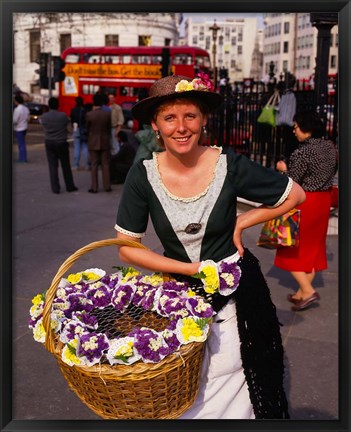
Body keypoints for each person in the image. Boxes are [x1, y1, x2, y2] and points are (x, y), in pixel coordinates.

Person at [114, 74, 305, 419]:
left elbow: (296, 194)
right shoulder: (142, 175)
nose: (181, 127)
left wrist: (242, 221)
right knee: (182, 387)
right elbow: (126, 247)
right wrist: (190, 270)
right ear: (156, 125)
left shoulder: (228, 163)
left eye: (190, 116)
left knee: (238, 373)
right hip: (177, 297)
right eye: (170, 118)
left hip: (238, 297)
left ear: (203, 120)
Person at [275, 110, 337, 311]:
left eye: (296, 127)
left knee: (290, 248)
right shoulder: (330, 147)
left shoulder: (302, 152)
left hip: (305, 202)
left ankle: (307, 291)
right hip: (323, 201)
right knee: (312, 248)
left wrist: (283, 169)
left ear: (305, 128)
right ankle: (302, 292)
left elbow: (292, 181)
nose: (294, 131)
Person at [40, 97, 78, 194]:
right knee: (65, 165)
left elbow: (43, 126)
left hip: (49, 142)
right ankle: (70, 186)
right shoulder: (63, 116)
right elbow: (69, 129)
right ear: (58, 105)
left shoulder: (44, 116)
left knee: (52, 166)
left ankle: (55, 188)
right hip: (61, 142)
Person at [85, 93, 112, 193]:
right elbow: (109, 128)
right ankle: (107, 186)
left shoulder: (89, 114)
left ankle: (94, 187)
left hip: (93, 141)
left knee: (94, 165)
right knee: (105, 164)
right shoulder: (107, 114)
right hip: (105, 140)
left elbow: (87, 128)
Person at [70, 96, 90, 170]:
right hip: (84, 130)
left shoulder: (73, 110)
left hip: (76, 129)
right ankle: (87, 165)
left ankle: (75, 165)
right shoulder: (85, 111)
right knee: (85, 148)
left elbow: (72, 121)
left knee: (76, 148)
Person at [13, 94, 30, 163]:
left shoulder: (17, 109)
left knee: (21, 144)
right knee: (22, 143)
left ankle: (23, 158)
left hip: (19, 128)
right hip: (25, 127)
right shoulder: (26, 108)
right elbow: (28, 119)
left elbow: (15, 120)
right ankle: (23, 158)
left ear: (16, 101)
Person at [108, 92, 125, 156]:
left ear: (114, 99)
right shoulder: (107, 107)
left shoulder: (117, 108)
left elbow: (121, 120)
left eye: (112, 98)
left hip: (114, 128)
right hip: (107, 129)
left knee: (115, 145)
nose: (110, 99)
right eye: (109, 98)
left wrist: (118, 129)